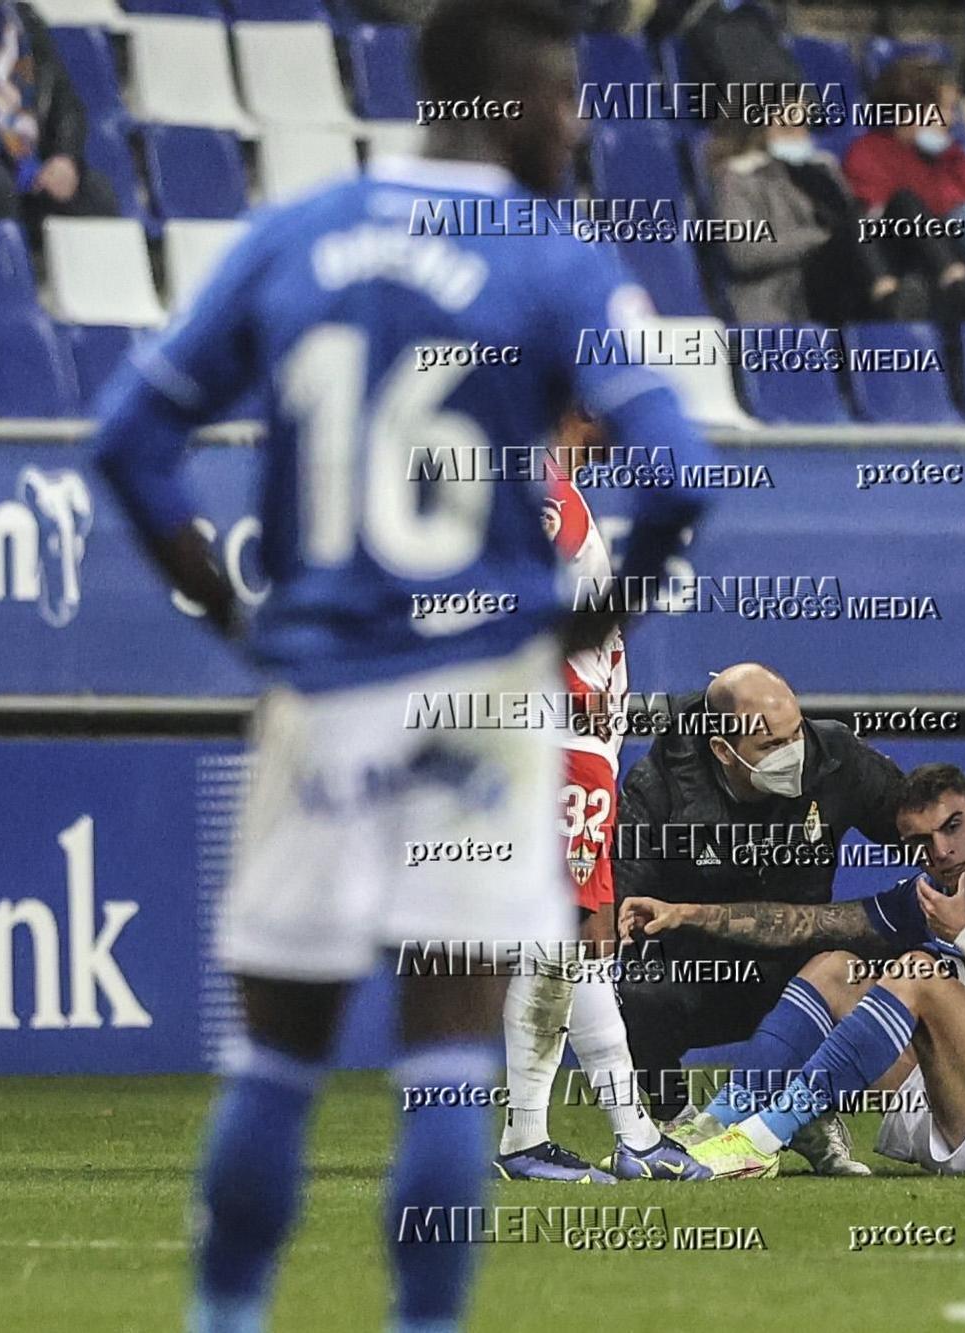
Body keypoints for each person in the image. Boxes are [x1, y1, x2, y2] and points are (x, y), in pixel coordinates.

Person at [89, 2, 712, 1328]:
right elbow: (681, 474)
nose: (581, 124)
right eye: (563, 98)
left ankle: (227, 1316)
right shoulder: (553, 259)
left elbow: (130, 438)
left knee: (277, 1059)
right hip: (483, 698)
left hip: (319, 687)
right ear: (502, 99)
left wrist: (224, 606)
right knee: (443, 1062)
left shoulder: (294, 234)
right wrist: (587, 622)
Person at [619, 763, 965, 1179]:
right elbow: (802, 924)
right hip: (959, 1109)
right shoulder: (926, 895)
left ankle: (762, 1137)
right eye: (922, 842)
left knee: (918, 972)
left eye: (952, 827)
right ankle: (715, 1126)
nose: (940, 852)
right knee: (835, 969)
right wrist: (689, 913)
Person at [611, 661, 903, 1174]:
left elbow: (915, 823)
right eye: (771, 748)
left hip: (802, 973)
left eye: (796, 735)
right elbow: (625, 910)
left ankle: (807, 1112)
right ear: (722, 750)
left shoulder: (836, 758)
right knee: (632, 987)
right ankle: (677, 1122)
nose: (794, 755)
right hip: (698, 981)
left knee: (895, 940)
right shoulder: (658, 788)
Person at [490, 412, 678, 1184]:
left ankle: (634, 1135)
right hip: (562, 739)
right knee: (567, 932)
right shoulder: (542, 486)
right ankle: (528, 1138)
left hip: (570, 740)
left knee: (574, 946)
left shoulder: (553, 486)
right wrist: (572, 690)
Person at [841, 57, 965, 316]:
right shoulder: (867, 154)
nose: (951, 120)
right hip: (912, 270)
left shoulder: (951, 155)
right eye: (944, 109)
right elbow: (889, 218)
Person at [705, 99, 921, 324]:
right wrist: (822, 238)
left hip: (845, 272)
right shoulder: (737, 178)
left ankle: (951, 287)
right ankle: (887, 300)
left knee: (905, 204)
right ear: (759, 132)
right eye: (788, 129)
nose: (800, 136)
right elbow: (744, 252)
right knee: (854, 228)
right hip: (790, 287)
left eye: (803, 126)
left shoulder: (823, 169)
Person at [0, 1, 116, 231]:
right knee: (0, 186)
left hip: (29, 161)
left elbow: (66, 102)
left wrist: (64, 157)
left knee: (96, 196)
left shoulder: (23, 21)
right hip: (0, 165)